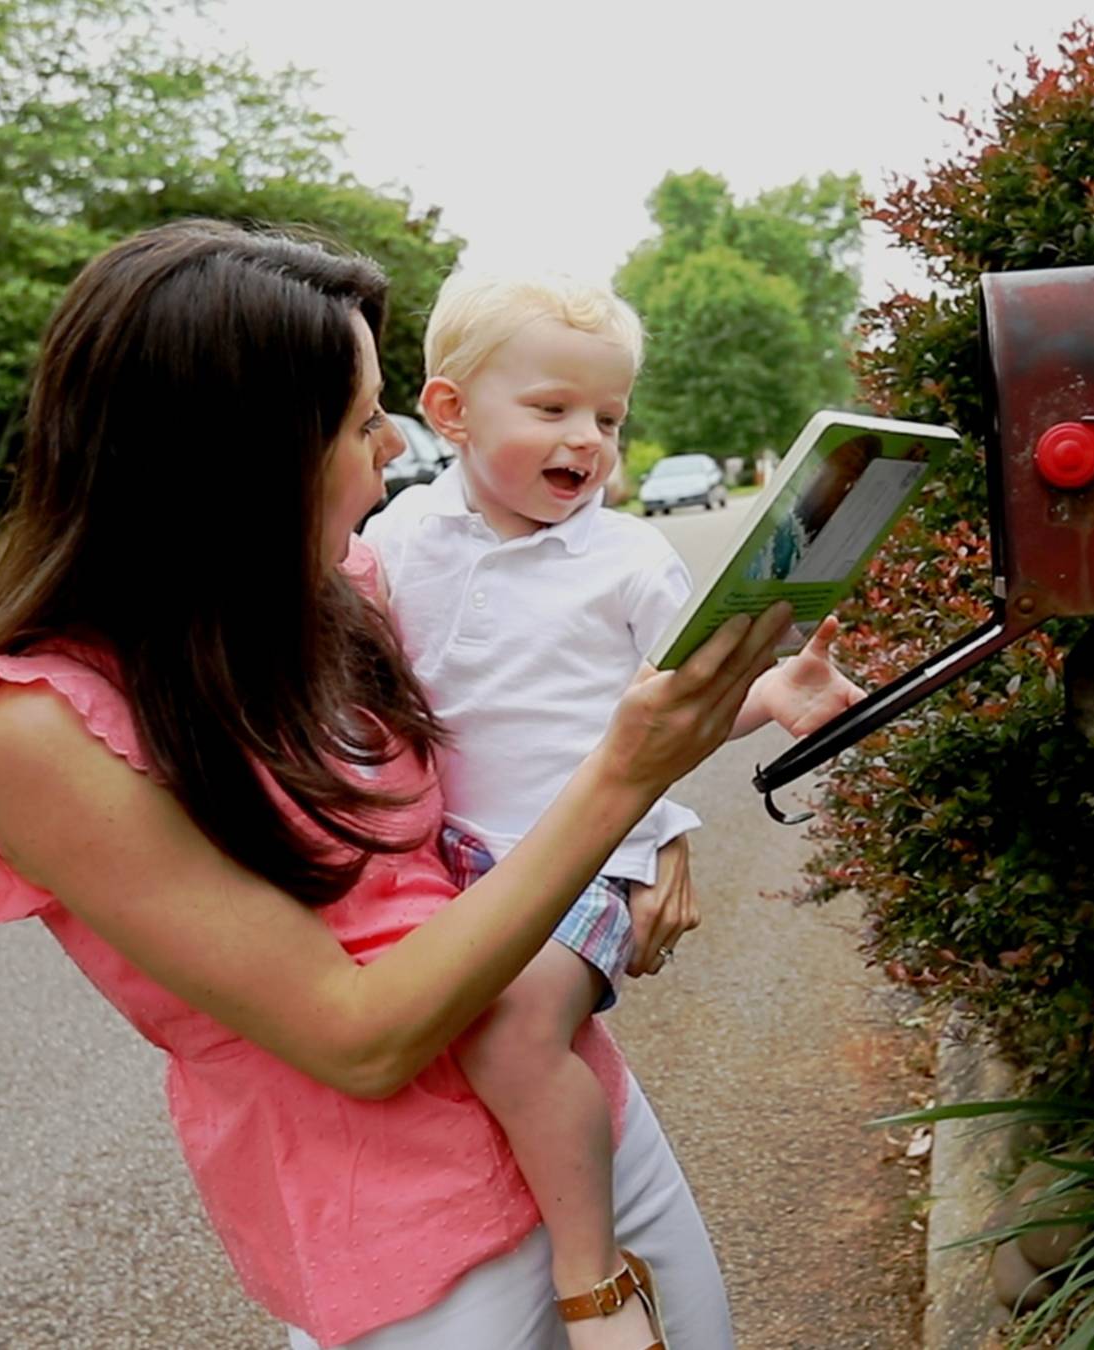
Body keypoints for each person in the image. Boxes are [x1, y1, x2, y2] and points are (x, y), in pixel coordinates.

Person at [0, 220, 794, 1349]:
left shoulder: (342, 593)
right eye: (358, 417)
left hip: (578, 1126)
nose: (391, 445)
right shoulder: (41, 731)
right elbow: (359, 1037)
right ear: (238, 453)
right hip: (409, 1241)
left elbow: (530, 720)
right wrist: (630, 781)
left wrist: (655, 825)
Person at [362, 271, 861, 1350]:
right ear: (447, 413)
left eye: (608, 418)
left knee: (509, 1028)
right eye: (551, 410)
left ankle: (592, 1281)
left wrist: (768, 694)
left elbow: (682, 709)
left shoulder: (626, 556)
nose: (586, 440)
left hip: (584, 861)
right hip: (439, 860)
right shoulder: (397, 542)